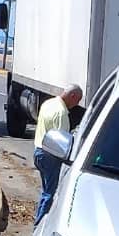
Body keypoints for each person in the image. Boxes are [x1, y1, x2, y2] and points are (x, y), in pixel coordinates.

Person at [33, 84, 83, 225]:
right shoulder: (61, 114)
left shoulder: (48, 103)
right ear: (72, 96)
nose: (77, 104)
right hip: (50, 156)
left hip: (38, 151)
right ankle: (40, 225)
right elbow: (63, 144)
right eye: (77, 100)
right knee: (50, 194)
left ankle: (39, 218)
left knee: (45, 191)